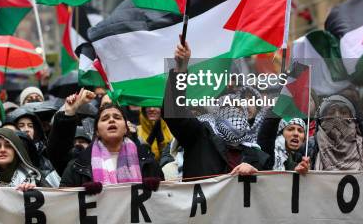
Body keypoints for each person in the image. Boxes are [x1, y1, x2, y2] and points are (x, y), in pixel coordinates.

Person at [162, 40, 270, 180]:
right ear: (217, 113)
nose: (233, 111)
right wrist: (180, 70)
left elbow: (269, 190)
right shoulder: (200, 137)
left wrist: (256, 173)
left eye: (238, 108)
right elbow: (174, 112)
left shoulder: (258, 156)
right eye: (226, 107)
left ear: (246, 116)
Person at [60, 103, 164, 193]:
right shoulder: (79, 165)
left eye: (117, 117)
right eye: (105, 118)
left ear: (125, 129)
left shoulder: (147, 161)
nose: (111, 120)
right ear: (97, 132)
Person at [309, 95, 363, 177]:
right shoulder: (310, 147)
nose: (337, 116)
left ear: (352, 118)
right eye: (331, 113)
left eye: (344, 112)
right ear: (322, 119)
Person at [47, 89, 96, 175]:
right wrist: (69, 112)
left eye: (82, 142)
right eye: (74, 142)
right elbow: (58, 149)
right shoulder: (71, 166)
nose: (77, 145)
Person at [8, 107, 60, 186]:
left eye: (30, 126)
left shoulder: (46, 160)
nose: (27, 129)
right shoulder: (4, 156)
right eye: (21, 125)